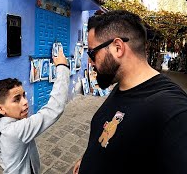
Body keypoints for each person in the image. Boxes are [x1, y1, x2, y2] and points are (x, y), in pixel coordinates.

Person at [73, 10, 187, 174]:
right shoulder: (122, 85)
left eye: (92, 52)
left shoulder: (173, 111)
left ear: (118, 48)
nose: (89, 61)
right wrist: (89, 158)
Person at [0, 48, 69, 174]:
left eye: (24, 96)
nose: (25, 102)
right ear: (0, 109)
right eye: (16, 99)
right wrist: (62, 66)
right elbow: (54, 109)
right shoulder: (15, 131)